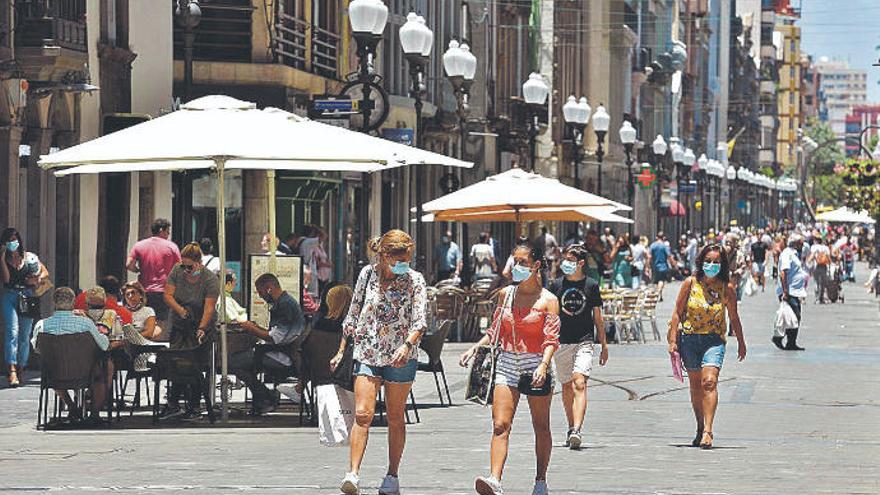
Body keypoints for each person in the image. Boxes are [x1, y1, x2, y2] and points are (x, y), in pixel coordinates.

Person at [330, 230, 427, 495]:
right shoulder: (367, 275)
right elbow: (352, 314)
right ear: (384, 256)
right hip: (368, 351)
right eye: (399, 259)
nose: (404, 264)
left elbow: (420, 321)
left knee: (396, 417)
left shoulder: (415, 280)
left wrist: (407, 345)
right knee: (363, 414)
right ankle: (353, 474)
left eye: (407, 258)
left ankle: (392, 476)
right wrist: (341, 350)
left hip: (401, 356)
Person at [459, 244, 560, 495]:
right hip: (507, 362)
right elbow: (496, 330)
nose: (516, 266)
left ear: (536, 265)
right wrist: (475, 348)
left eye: (522, 261)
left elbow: (551, 339)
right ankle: (495, 479)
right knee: (500, 424)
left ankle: (540, 480)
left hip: (536, 362)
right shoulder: (506, 295)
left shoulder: (549, 300)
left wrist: (544, 365)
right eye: (515, 260)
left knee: (541, 425)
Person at [667, 244, 746, 449]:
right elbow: (677, 312)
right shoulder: (690, 283)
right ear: (701, 262)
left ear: (723, 265)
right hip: (690, 340)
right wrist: (673, 340)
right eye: (708, 261)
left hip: (714, 341)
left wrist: (741, 342)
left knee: (709, 382)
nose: (712, 265)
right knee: (695, 386)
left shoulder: (726, 288)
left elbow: (734, 316)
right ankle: (700, 427)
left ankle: (709, 431)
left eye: (716, 262)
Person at [548, 244, 608, 450]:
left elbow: (598, 319)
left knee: (579, 383)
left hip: (584, 340)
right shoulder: (556, 286)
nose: (566, 263)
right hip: (561, 341)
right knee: (566, 387)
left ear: (581, 263)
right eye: (565, 260)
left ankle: (576, 429)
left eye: (571, 260)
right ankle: (570, 426)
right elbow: (549, 316)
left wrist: (604, 345)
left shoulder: (591, 286)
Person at [30, 288, 110, 423]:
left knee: (51, 368)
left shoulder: (41, 325)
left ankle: (72, 406)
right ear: (74, 302)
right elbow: (104, 345)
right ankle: (94, 414)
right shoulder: (85, 324)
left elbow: (37, 349)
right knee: (101, 372)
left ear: (54, 302)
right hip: (84, 373)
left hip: (55, 373)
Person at [230, 273, 306, 414]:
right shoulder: (285, 302)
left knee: (232, 363)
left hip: (283, 355)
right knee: (238, 361)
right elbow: (276, 333)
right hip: (282, 351)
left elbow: (275, 338)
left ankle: (266, 397)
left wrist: (250, 328)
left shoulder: (284, 305)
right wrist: (256, 327)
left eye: (261, 292)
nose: (260, 296)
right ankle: (264, 397)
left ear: (269, 288)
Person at [160, 242, 220, 420]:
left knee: (195, 362)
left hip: (201, 320)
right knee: (176, 359)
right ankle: (173, 402)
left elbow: (209, 307)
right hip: (180, 322)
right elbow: (168, 295)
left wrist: (202, 328)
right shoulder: (177, 271)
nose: (186, 270)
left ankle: (193, 405)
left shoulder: (210, 279)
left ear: (199, 263)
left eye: (189, 266)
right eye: (183, 265)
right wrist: (180, 311)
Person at [1, 227, 49, 387]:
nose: (12, 243)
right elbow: (7, 280)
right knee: (12, 331)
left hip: (27, 296)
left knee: (25, 335)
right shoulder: (5, 258)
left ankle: (21, 367)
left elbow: (44, 273)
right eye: (9, 240)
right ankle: (12, 370)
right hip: (9, 295)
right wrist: (2, 259)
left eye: (15, 239)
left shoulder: (29, 257)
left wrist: (37, 279)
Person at [126, 218, 181, 323]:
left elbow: (129, 264)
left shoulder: (139, 245)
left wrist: (137, 270)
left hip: (144, 290)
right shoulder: (172, 247)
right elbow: (180, 268)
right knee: (162, 322)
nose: (168, 235)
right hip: (165, 290)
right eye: (167, 232)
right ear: (161, 230)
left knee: (145, 321)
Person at [776, 234, 807, 351]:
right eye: (801, 243)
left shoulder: (794, 254)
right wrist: (785, 291)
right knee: (794, 316)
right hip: (789, 291)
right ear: (795, 243)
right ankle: (779, 337)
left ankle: (791, 342)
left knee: (792, 317)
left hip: (795, 291)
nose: (803, 245)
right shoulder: (787, 254)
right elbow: (783, 273)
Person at [121, 282, 161, 372]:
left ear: (141, 295)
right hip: (124, 350)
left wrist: (131, 336)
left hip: (141, 347)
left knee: (127, 329)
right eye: (127, 294)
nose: (131, 296)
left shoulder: (148, 311)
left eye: (134, 293)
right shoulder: (122, 311)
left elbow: (149, 332)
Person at [649, 232, 676, 301]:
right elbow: (669, 256)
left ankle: (659, 295)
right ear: (663, 238)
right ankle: (658, 293)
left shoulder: (652, 245)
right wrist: (673, 264)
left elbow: (649, 256)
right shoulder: (664, 246)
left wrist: (648, 266)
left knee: (656, 281)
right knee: (661, 280)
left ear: (656, 237)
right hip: (663, 266)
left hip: (655, 266)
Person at [809, 236, 831, 304]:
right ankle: (822, 298)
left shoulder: (814, 247)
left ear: (816, 240)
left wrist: (808, 262)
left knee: (817, 283)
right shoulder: (826, 247)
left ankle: (817, 299)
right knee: (823, 283)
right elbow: (828, 257)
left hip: (816, 266)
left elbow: (812, 256)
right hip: (824, 266)